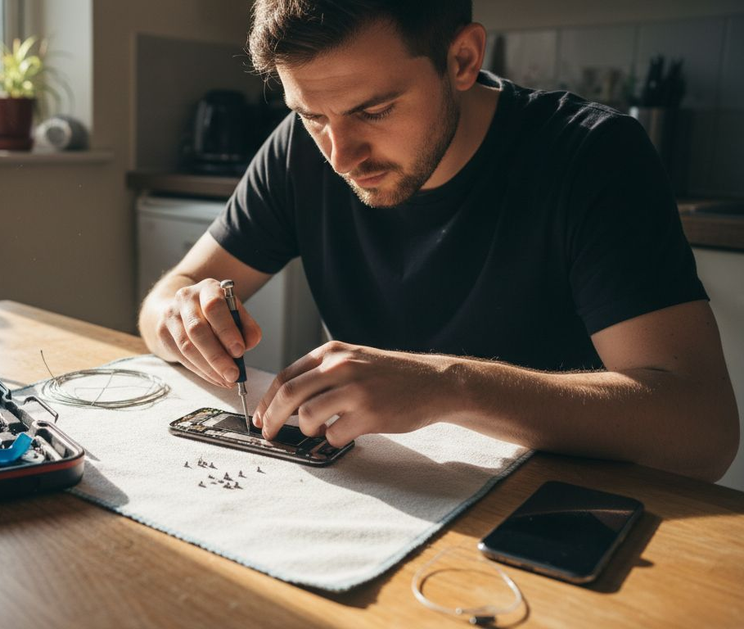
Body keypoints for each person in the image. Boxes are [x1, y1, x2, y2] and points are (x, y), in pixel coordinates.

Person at [138, 0, 738, 481]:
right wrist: (183, 316)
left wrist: (448, 386)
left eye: (374, 110)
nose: (340, 157)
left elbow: (703, 432)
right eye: (312, 115)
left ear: (462, 59)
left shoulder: (592, 156)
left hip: (552, 509)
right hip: (389, 491)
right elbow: (166, 298)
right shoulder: (300, 151)